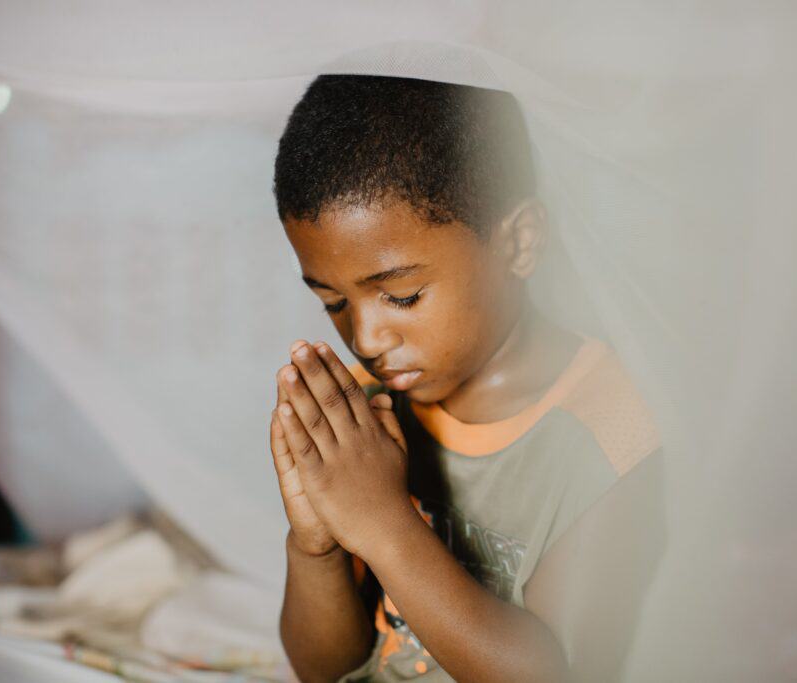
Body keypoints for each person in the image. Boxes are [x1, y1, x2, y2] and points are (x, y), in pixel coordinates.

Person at [268, 74, 666, 683]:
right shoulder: (372, 406)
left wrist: (383, 524)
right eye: (332, 302)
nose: (367, 340)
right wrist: (316, 546)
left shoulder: (606, 436)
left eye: (401, 295)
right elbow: (325, 672)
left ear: (519, 243)